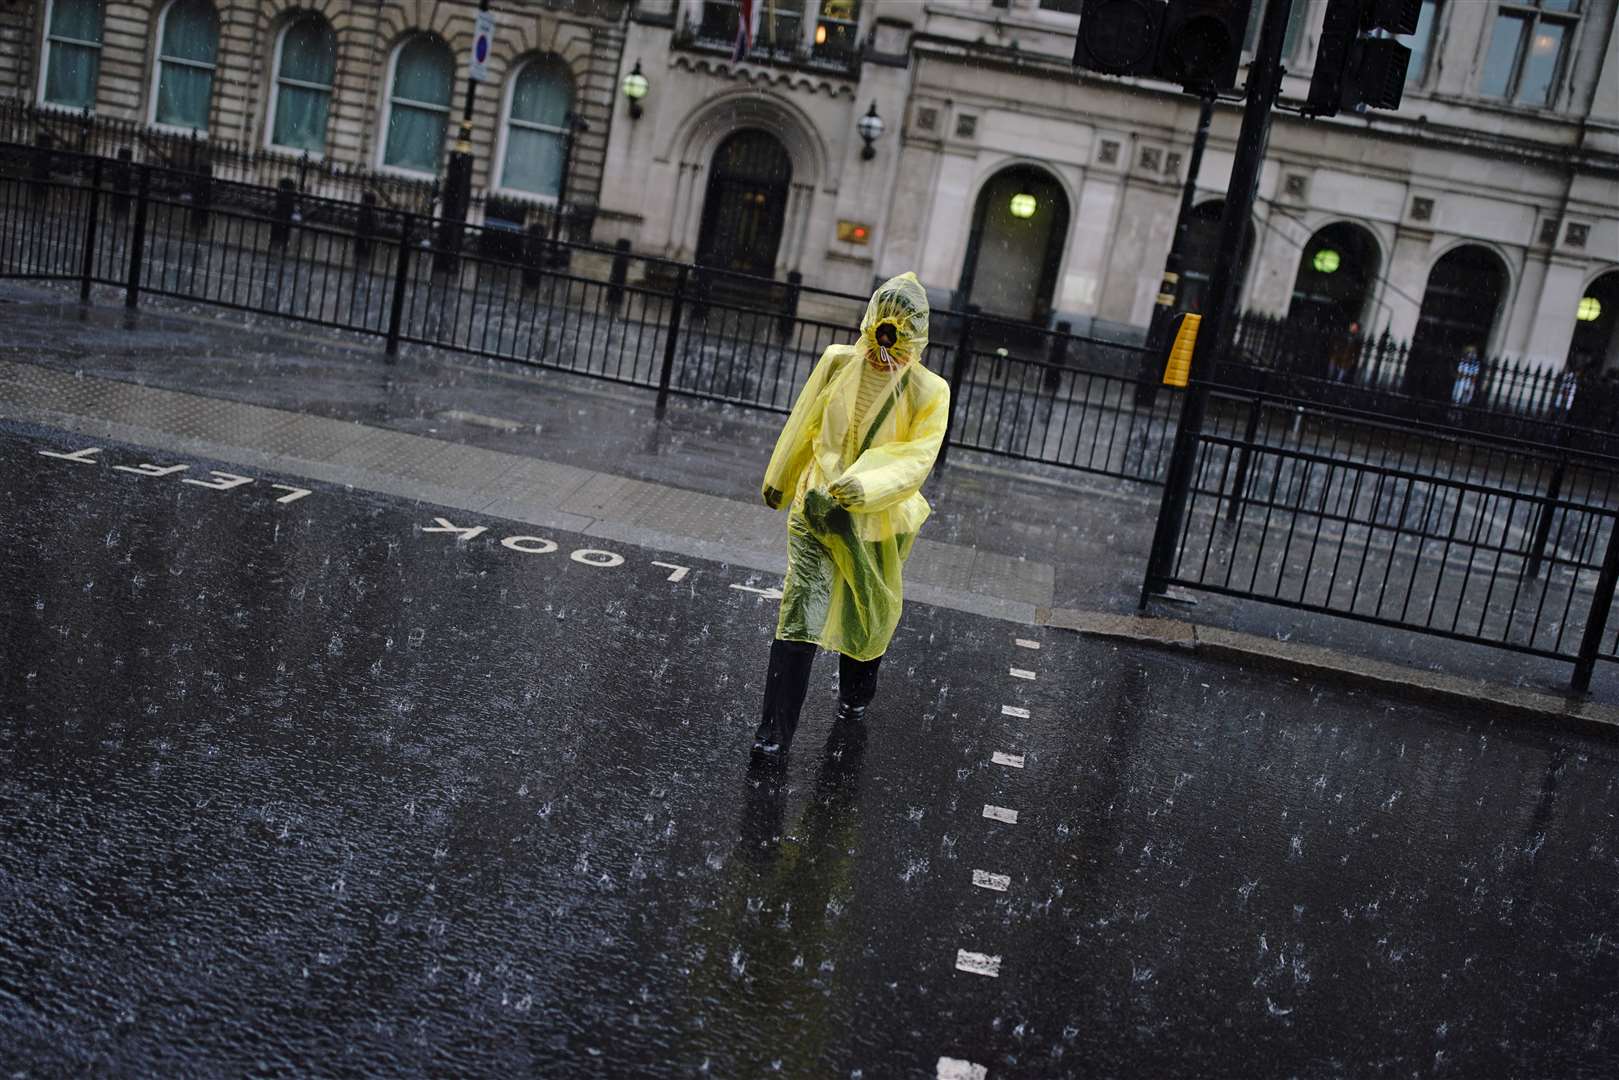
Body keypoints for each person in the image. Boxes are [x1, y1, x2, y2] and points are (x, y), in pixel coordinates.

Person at [753, 272, 950, 756]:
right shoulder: (838, 362)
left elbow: (916, 459)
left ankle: (855, 697)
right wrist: (780, 480)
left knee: (869, 614)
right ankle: (773, 735)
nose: (888, 336)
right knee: (800, 611)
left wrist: (865, 487)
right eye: (883, 322)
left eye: (899, 327)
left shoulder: (929, 391)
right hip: (816, 508)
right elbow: (806, 420)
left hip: (879, 520)